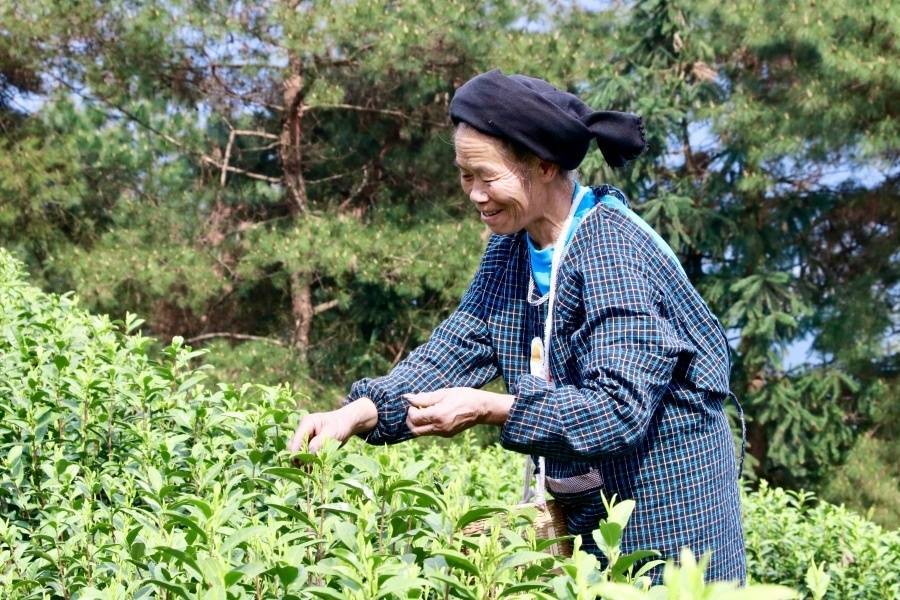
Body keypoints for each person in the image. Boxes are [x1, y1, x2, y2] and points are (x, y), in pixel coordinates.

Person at [288, 69, 746, 583]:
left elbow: (619, 410)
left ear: (545, 165)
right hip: (590, 513)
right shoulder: (509, 248)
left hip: (670, 518)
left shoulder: (613, 252)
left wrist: (492, 408)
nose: (475, 195)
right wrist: (360, 411)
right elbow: (458, 346)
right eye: (465, 176)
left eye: (488, 176)